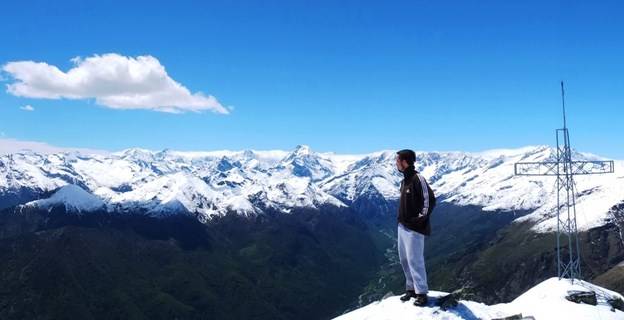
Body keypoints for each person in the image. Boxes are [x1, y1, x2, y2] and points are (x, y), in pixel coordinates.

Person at [395, 149, 436, 306]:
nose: (396, 164)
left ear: (405, 162)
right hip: (403, 226)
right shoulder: (404, 180)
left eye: (398, 161)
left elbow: (430, 200)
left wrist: (419, 219)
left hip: (414, 228)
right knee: (404, 259)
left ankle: (421, 293)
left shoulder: (418, 179)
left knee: (415, 260)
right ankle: (411, 289)